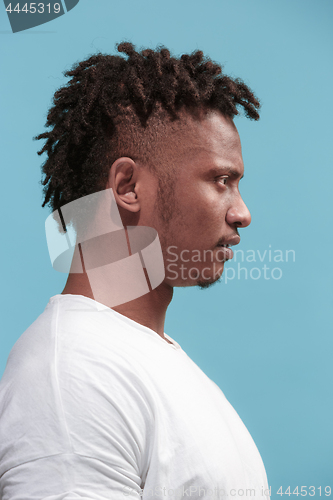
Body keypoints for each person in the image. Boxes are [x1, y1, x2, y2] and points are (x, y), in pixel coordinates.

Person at [0, 43, 270, 499]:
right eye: (221, 181)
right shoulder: (75, 377)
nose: (242, 213)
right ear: (127, 186)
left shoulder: (145, 360)